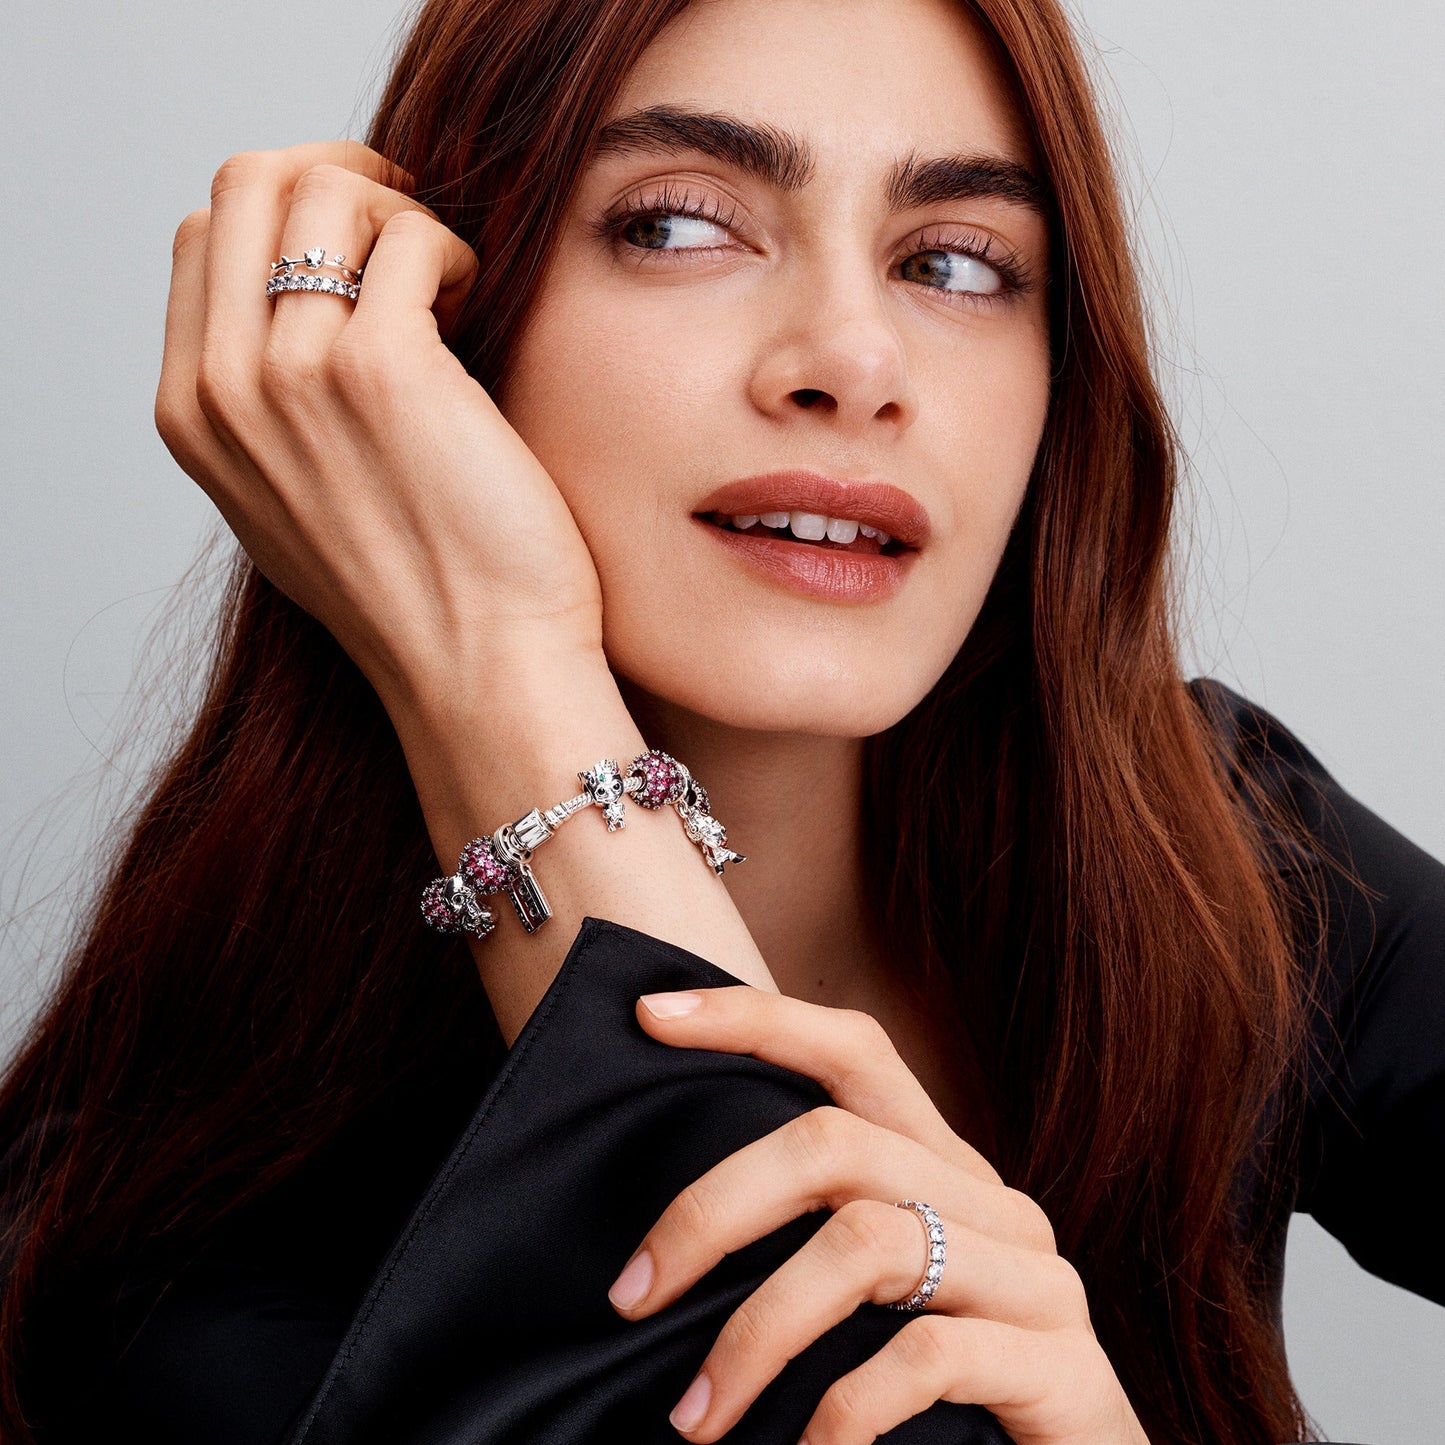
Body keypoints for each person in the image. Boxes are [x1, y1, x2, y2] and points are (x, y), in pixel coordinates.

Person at [1, 0, 1440, 1442]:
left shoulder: (1217, 863)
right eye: (679, 226)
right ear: (435, 334)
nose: (853, 361)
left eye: (955, 261)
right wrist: (497, 664)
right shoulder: (170, 1269)